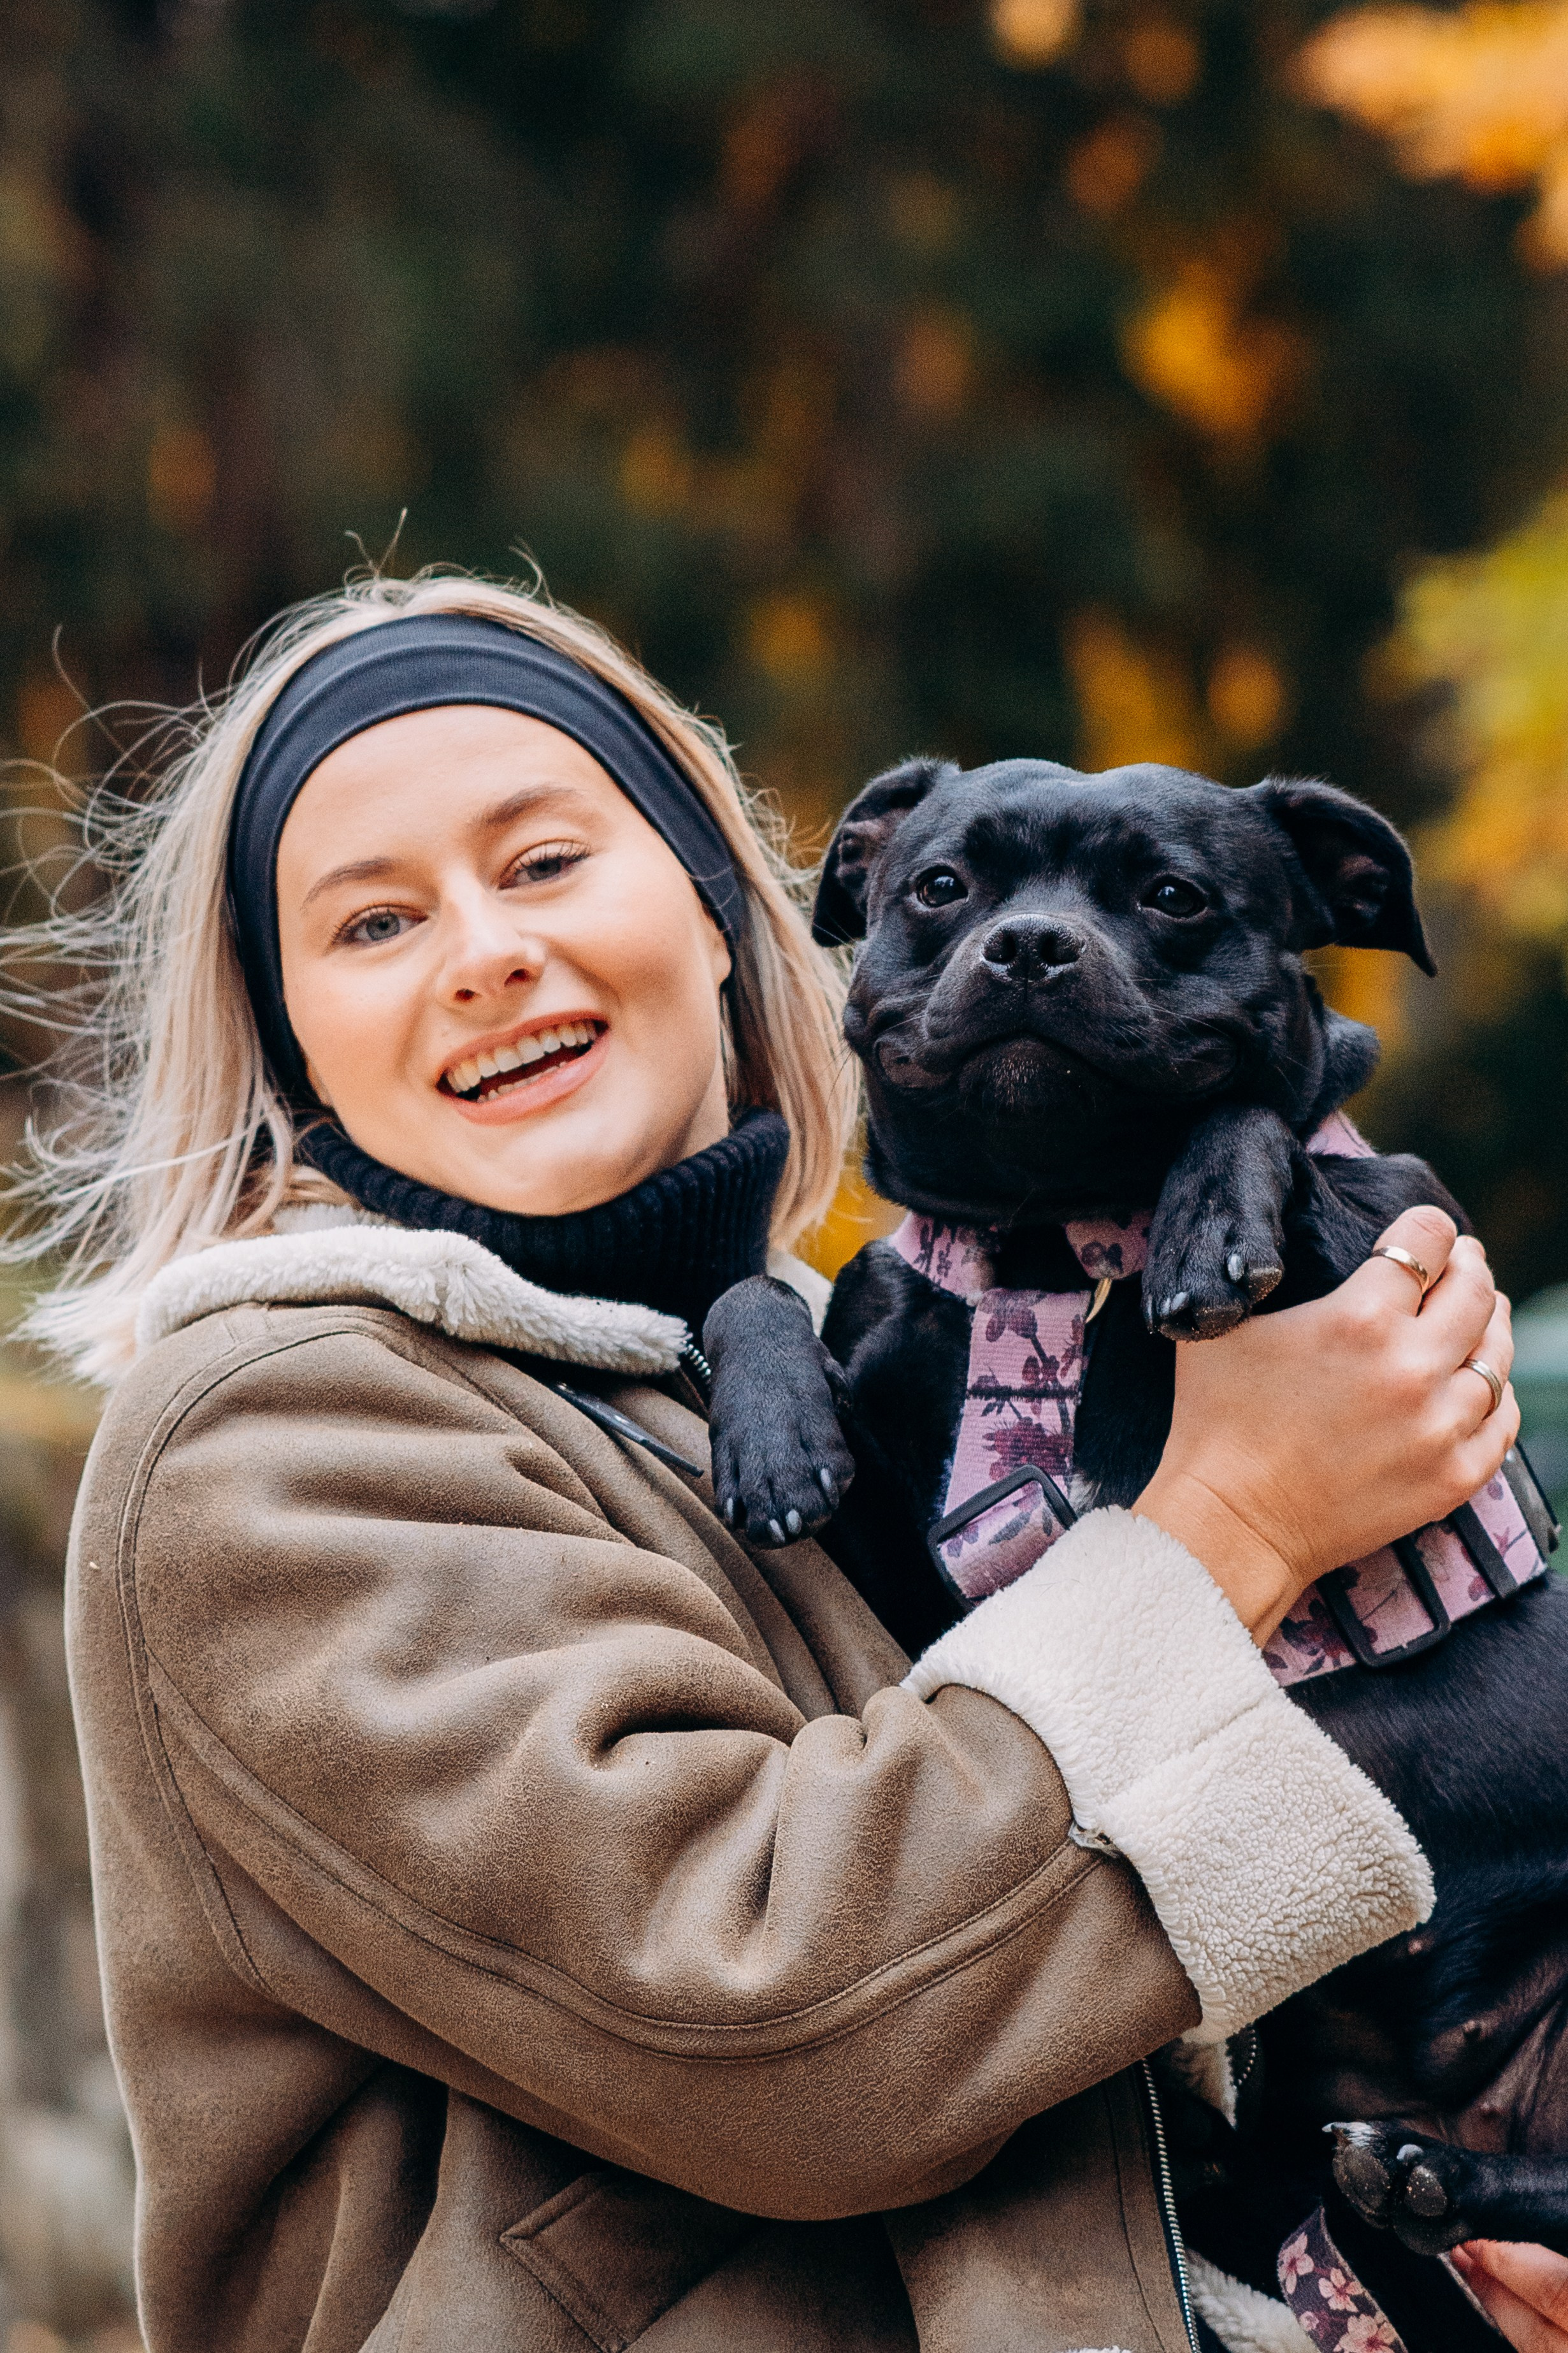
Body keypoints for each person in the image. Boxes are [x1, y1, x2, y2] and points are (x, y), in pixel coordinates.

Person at [11, 572, 1525, 2353]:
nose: (483, 952)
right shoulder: (273, 1439)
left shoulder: (827, 1378)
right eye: (375, 922)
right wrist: (1240, 1519)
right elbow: (783, 2024)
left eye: (543, 861)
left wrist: (1462, 2258)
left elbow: (1105, 2043)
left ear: (723, 912)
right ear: (290, 1041)